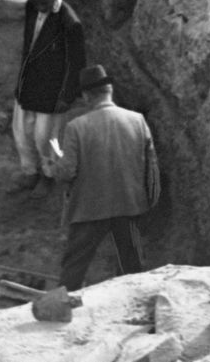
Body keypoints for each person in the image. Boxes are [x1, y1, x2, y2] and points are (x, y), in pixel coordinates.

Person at [50, 64, 161, 289]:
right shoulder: (137, 120)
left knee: (74, 266)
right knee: (133, 265)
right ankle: (133, 304)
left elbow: (67, 171)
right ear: (109, 90)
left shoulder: (76, 127)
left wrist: (54, 164)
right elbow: (152, 169)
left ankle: (64, 306)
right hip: (129, 204)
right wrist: (148, 203)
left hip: (89, 208)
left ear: (86, 96)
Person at [12, 0, 86, 192]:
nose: (41, 6)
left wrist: (67, 96)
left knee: (46, 137)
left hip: (52, 89)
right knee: (22, 132)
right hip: (29, 83)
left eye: (46, 3)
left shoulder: (70, 23)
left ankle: (48, 175)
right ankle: (29, 172)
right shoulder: (32, 8)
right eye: (38, 2)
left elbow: (77, 63)